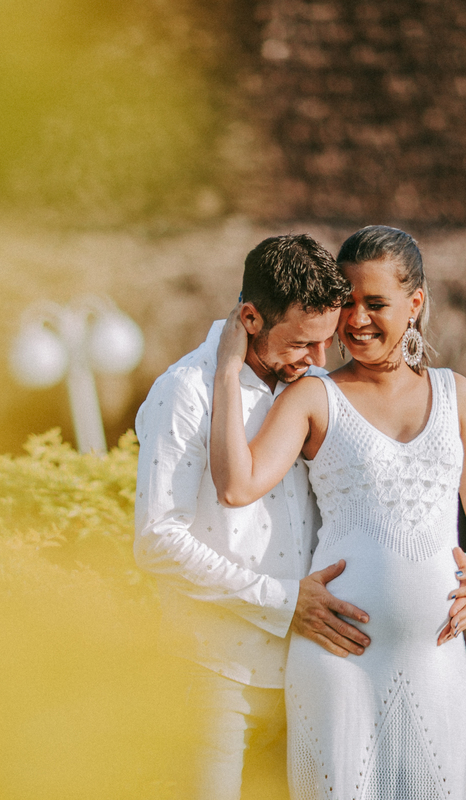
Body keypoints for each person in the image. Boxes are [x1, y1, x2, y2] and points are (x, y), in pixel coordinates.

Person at [209, 225, 466, 800]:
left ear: (415, 304)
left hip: (438, 660)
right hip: (336, 663)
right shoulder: (313, 396)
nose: (357, 320)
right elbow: (236, 485)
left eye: (376, 303)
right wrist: (227, 372)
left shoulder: (456, 394)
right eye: (347, 303)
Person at [134, 233, 372, 800]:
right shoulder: (184, 391)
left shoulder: (311, 390)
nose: (317, 361)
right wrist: (285, 599)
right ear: (250, 317)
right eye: (302, 343)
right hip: (214, 678)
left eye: (325, 345)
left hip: (306, 679)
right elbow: (158, 539)